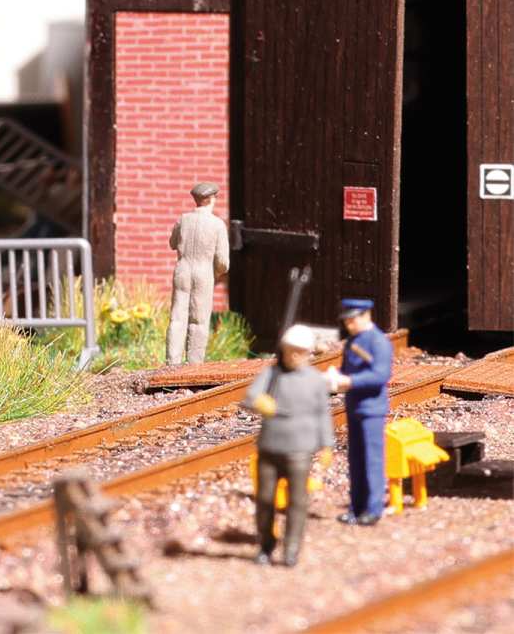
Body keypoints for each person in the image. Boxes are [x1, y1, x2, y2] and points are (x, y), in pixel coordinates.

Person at [243, 322, 334, 566]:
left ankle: (292, 548)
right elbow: (250, 397)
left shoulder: (315, 380)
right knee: (265, 499)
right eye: (290, 350)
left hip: (300, 450)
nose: (294, 356)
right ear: (283, 349)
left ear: (308, 353)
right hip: (270, 447)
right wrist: (259, 402)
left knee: (297, 501)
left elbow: (322, 414)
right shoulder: (271, 375)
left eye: (299, 351)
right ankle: (266, 543)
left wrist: (327, 444)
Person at [328, 295, 393, 523]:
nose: (348, 324)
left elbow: (380, 375)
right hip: (354, 406)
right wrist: (335, 377)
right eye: (346, 321)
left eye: (352, 320)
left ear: (366, 316)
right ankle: (356, 508)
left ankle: (373, 510)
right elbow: (347, 370)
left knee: (372, 460)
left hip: (372, 409)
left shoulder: (378, 342)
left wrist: (350, 381)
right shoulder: (352, 342)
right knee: (355, 460)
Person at [166, 182, 230, 364]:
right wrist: (216, 273)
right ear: (211, 199)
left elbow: (172, 243)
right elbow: (223, 262)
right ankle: (194, 363)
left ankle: (172, 361)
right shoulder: (217, 225)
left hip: (182, 269)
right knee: (199, 319)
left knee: (177, 317)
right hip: (204, 272)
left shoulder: (183, 219)